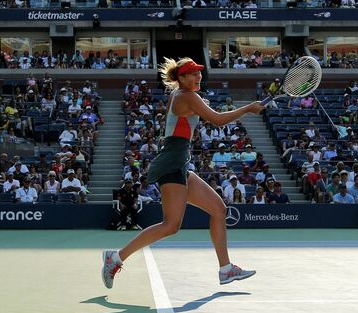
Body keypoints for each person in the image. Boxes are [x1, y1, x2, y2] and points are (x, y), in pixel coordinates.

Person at [101, 57, 264, 289]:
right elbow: (217, 120)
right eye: (193, 74)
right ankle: (115, 259)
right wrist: (248, 108)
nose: (199, 76)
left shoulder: (180, 95)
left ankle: (226, 269)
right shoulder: (187, 96)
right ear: (181, 78)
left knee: (218, 209)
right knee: (170, 225)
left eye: (199, 73)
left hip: (178, 162)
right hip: (172, 163)